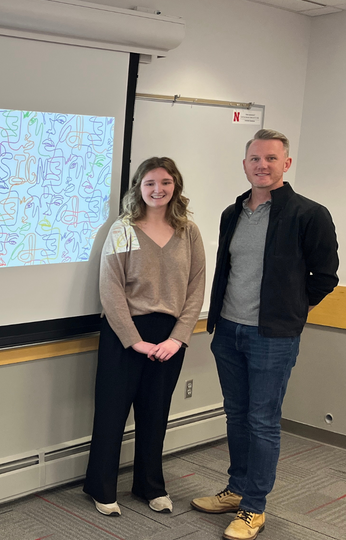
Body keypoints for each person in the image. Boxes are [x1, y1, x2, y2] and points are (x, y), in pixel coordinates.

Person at [191, 129, 338, 540]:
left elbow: (325, 277)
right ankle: (236, 490)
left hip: (273, 336)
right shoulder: (231, 213)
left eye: (272, 158)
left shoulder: (309, 214)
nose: (263, 165)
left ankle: (255, 507)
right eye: (255, 158)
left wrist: (291, 311)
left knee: (262, 420)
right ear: (245, 165)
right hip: (228, 330)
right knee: (237, 415)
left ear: (286, 164)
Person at [84, 157, 205, 517]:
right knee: (111, 414)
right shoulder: (123, 229)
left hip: (169, 338)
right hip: (125, 335)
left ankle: (149, 485)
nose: (158, 189)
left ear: (175, 186)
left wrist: (178, 337)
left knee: (156, 414)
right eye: (150, 183)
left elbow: (196, 287)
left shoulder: (189, 231)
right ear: (138, 187)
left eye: (165, 182)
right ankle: (101, 487)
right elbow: (111, 288)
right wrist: (134, 340)